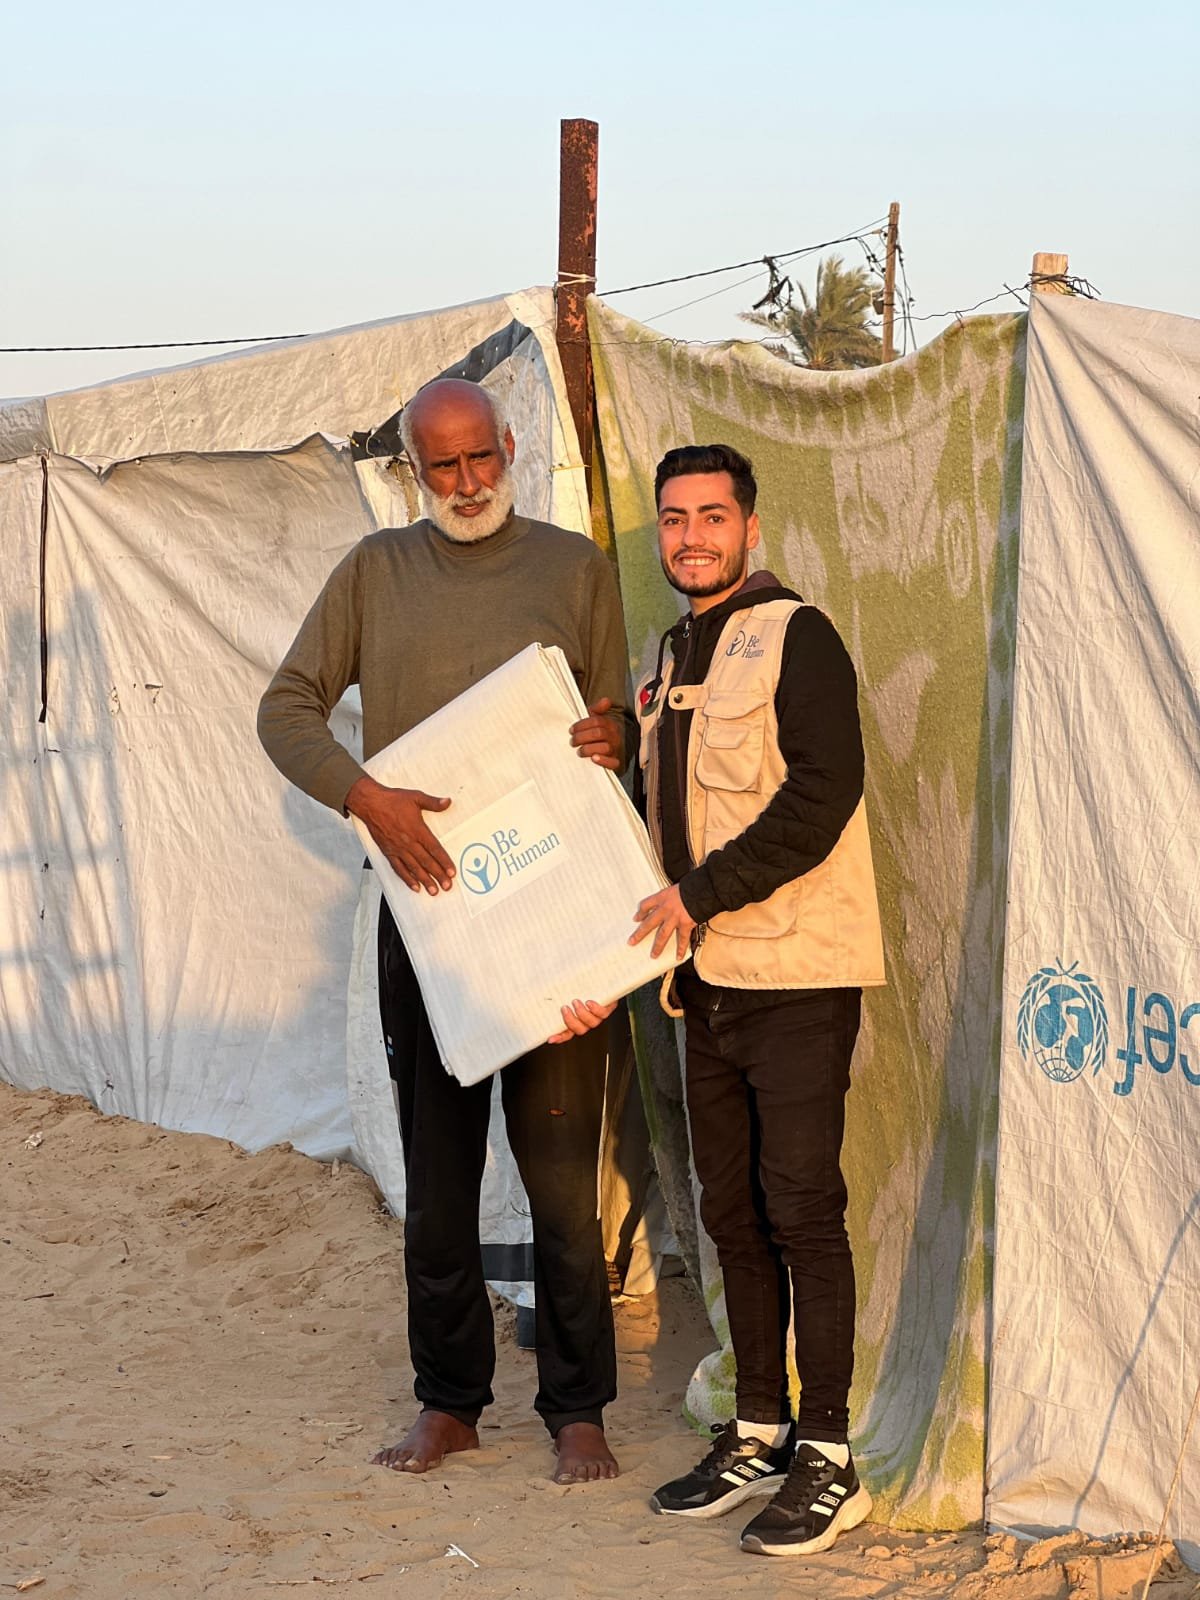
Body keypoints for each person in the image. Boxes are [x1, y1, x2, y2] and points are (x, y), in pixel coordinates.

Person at [257, 377, 630, 1485]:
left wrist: (610, 737)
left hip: (557, 923)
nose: (465, 483)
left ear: (509, 447)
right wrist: (364, 796)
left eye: (480, 458)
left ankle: (577, 1408)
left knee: (565, 1183)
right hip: (432, 929)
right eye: (441, 466)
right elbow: (285, 709)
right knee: (440, 1179)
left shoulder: (577, 569)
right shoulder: (375, 572)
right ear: (411, 472)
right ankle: (450, 1401)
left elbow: (615, 724)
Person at [577, 442, 885, 1555]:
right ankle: (758, 1427)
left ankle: (831, 1453)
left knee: (801, 1206)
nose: (690, 536)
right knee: (732, 1211)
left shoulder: (798, 634)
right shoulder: (673, 653)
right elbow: (661, 818)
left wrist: (701, 894)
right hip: (699, 986)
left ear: (750, 527)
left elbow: (824, 792)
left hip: (797, 972)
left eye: (712, 515)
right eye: (673, 519)